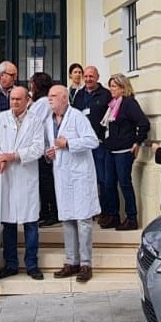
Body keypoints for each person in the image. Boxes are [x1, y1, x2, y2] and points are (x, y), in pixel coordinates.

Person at [0, 85, 45, 280]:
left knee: (30, 223)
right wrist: (0, 157)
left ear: (27, 100)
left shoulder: (35, 121)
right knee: (9, 222)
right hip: (6, 176)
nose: (14, 102)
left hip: (26, 174)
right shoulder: (0, 118)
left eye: (18, 99)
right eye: (12, 99)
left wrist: (15, 156)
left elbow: (38, 148)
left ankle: (32, 264)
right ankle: (11, 264)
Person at [46, 85, 100, 283]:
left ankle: (86, 264)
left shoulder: (77, 116)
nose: (49, 99)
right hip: (62, 175)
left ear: (63, 98)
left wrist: (68, 143)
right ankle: (71, 261)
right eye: (48, 96)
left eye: (53, 96)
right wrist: (51, 152)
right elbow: (54, 146)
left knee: (83, 220)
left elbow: (93, 141)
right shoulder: (49, 121)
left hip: (80, 175)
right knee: (67, 219)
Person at [100, 73, 150, 231]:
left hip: (123, 150)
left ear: (123, 88)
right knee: (109, 184)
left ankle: (131, 217)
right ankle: (114, 215)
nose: (111, 89)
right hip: (110, 148)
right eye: (110, 86)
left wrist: (138, 142)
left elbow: (143, 123)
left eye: (114, 86)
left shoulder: (129, 103)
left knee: (124, 183)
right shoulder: (113, 104)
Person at [73, 66, 111, 220]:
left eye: (91, 76)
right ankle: (87, 210)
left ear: (97, 77)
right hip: (82, 145)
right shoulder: (79, 95)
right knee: (84, 178)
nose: (88, 79)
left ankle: (104, 211)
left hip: (99, 144)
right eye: (86, 76)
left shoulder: (106, 94)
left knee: (102, 178)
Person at [28, 72, 57, 227]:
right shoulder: (40, 102)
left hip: (44, 149)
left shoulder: (43, 102)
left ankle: (52, 213)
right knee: (43, 182)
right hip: (42, 148)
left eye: (32, 83)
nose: (30, 86)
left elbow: (32, 121)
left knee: (46, 182)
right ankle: (45, 212)